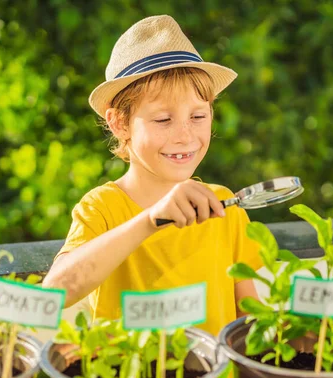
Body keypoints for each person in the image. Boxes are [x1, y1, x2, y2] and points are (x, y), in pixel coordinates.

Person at [43, 15, 262, 338]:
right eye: (163, 120)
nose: (185, 135)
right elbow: (55, 294)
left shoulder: (224, 205)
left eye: (198, 116)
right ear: (119, 124)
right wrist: (150, 219)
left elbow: (249, 318)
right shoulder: (102, 208)